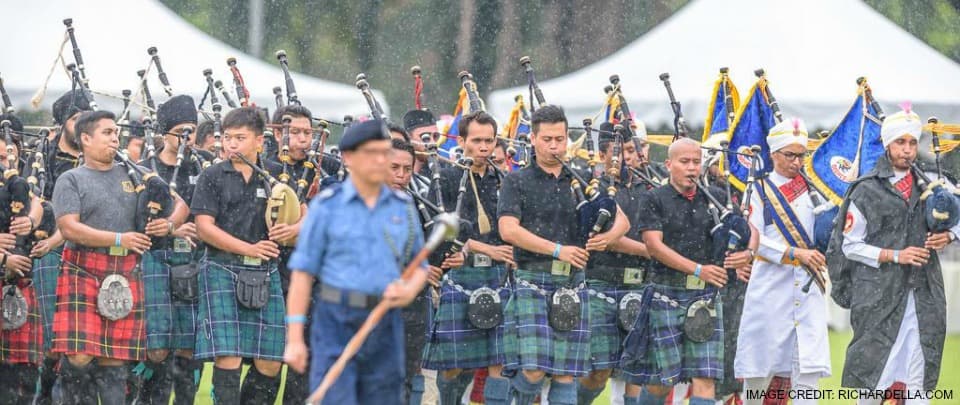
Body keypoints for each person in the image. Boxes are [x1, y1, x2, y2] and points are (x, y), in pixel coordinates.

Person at [284, 119, 430, 404]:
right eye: (370, 152)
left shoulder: (403, 208)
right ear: (348, 158)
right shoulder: (327, 206)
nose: (380, 160)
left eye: (384, 152)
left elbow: (419, 267)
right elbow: (302, 274)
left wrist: (409, 290)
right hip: (336, 319)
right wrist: (295, 338)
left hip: (385, 321)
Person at [52, 110, 188, 404]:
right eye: (107, 133)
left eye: (116, 132)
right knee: (79, 354)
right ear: (85, 139)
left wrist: (168, 224)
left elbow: (180, 204)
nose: (115, 138)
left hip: (126, 269)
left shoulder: (136, 173)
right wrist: (118, 238)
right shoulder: (71, 179)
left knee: (115, 358)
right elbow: (68, 227)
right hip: (84, 267)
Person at [498, 105, 629, 405]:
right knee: (532, 371)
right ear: (532, 139)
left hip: (572, 284)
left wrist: (605, 240)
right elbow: (508, 230)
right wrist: (558, 250)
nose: (554, 145)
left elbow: (622, 220)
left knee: (566, 372)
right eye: (547, 139)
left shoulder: (583, 179)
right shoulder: (517, 181)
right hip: (533, 278)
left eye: (559, 138)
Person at [829, 106, 955, 404]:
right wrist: (895, 255)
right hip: (878, 298)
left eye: (912, 143)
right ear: (887, 144)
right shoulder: (866, 190)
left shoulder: (934, 185)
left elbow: (957, 215)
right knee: (874, 379)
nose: (908, 150)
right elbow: (849, 245)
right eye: (901, 142)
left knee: (917, 381)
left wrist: (948, 235)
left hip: (923, 297)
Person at [191, 106, 303, 403]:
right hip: (221, 268)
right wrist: (249, 248)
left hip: (265, 273)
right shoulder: (212, 176)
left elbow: (305, 217)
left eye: (240, 138)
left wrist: (290, 231)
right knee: (228, 358)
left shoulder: (277, 176)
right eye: (227, 138)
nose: (231, 144)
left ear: (259, 141)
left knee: (270, 360)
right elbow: (204, 228)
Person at [621, 137, 729, 405]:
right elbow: (654, 246)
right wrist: (698, 270)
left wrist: (745, 252)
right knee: (661, 382)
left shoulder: (715, 198)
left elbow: (746, 232)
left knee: (705, 378)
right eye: (684, 162)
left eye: (696, 162)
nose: (692, 168)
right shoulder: (654, 198)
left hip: (704, 298)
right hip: (666, 293)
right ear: (669, 164)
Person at [735, 119, 831, 405]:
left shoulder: (818, 190)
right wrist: (793, 254)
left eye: (802, 155)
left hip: (809, 291)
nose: (797, 162)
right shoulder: (758, 190)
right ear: (773, 154)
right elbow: (752, 237)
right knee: (758, 374)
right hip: (769, 290)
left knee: (807, 375)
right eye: (790, 155)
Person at [423, 111, 515, 405]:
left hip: (499, 277)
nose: (484, 147)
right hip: (461, 275)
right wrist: (487, 248)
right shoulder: (447, 179)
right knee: (454, 365)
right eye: (477, 140)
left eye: (489, 140)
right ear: (461, 141)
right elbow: (447, 231)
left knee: (500, 361)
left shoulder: (506, 182)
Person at [135, 95, 210, 404]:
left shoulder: (206, 169)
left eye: (191, 129)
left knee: (188, 347)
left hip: (193, 261)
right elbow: (138, 219)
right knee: (157, 347)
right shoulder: (143, 170)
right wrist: (175, 227)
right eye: (180, 130)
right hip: (154, 259)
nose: (187, 137)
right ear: (164, 133)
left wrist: (199, 227)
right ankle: (145, 398)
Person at [576, 128, 651, 405]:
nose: (628, 158)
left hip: (642, 283)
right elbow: (602, 240)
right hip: (602, 283)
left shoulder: (647, 187)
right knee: (599, 370)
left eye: (633, 151)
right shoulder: (593, 187)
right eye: (622, 152)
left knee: (636, 371)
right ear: (602, 155)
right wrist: (651, 251)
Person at [0, 113, 48, 403]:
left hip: (20, 283)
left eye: (13, 144)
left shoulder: (21, 184)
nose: (9, 150)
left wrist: (30, 221)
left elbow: (41, 208)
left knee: (25, 376)